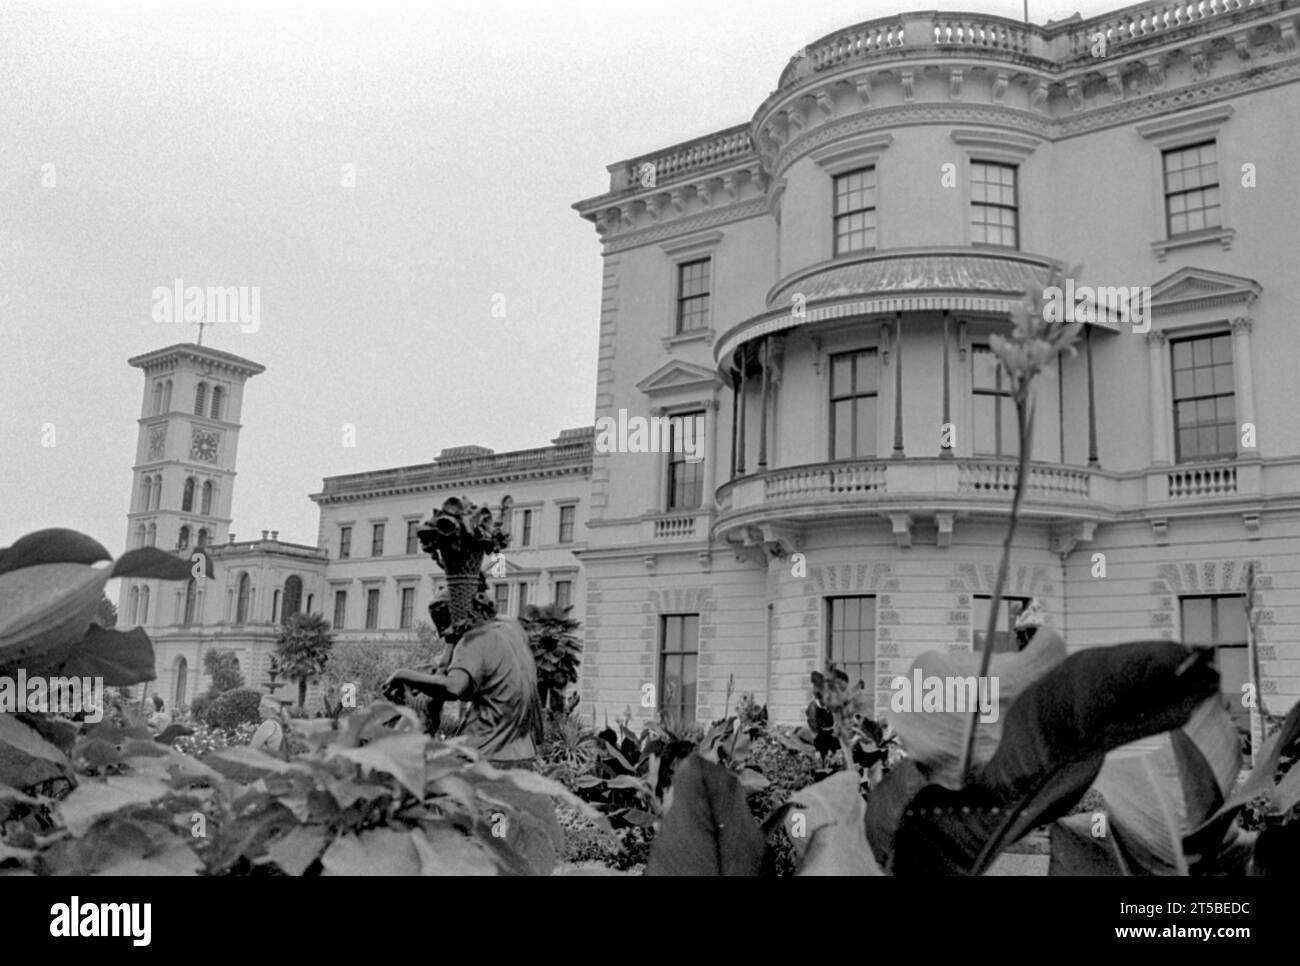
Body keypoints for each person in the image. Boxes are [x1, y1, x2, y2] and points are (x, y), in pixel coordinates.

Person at [384, 583, 542, 769]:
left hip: (485, 755)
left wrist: (403, 675)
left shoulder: (475, 639)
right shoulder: (511, 629)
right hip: (523, 754)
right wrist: (451, 639)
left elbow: (454, 687)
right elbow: (457, 674)